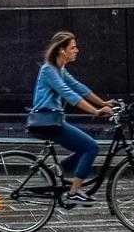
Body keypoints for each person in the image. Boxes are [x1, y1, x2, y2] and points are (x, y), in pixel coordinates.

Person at [26, 30, 113, 206]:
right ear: (61, 50)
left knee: (84, 148)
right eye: (73, 47)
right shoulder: (48, 70)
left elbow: (79, 88)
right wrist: (96, 112)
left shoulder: (60, 70)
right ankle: (74, 192)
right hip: (48, 122)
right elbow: (69, 95)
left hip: (55, 120)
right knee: (91, 147)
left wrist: (103, 102)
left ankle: (58, 170)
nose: (77, 50)